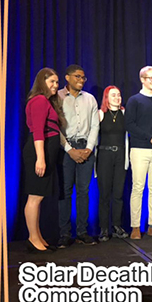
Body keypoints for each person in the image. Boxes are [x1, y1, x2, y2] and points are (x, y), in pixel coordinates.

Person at [57, 65, 99, 248]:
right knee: (65, 192)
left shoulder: (90, 99)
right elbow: (55, 127)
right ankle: (64, 234)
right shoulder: (57, 97)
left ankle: (82, 232)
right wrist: (69, 150)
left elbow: (95, 126)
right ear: (67, 77)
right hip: (65, 149)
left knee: (83, 192)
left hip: (85, 148)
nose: (81, 80)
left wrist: (89, 148)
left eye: (83, 77)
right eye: (77, 76)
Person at [23, 68, 64, 253]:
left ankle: (37, 235)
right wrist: (40, 158)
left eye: (57, 82)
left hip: (46, 152)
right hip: (40, 151)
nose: (55, 85)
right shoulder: (39, 100)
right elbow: (38, 131)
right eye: (51, 82)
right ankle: (32, 238)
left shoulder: (46, 101)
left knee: (38, 196)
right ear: (42, 82)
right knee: (35, 196)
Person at [125, 66, 152, 240]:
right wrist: (149, 137)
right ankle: (135, 226)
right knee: (137, 187)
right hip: (139, 149)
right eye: (150, 78)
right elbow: (129, 124)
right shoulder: (134, 100)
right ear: (142, 79)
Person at [97, 86, 129, 242]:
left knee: (118, 193)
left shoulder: (124, 114)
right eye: (113, 95)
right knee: (104, 194)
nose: (117, 97)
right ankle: (103, 228)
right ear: (106, 98)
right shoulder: (100, 114)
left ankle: (117, 226)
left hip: (120, 155)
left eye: (119, 95)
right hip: (104, 155)